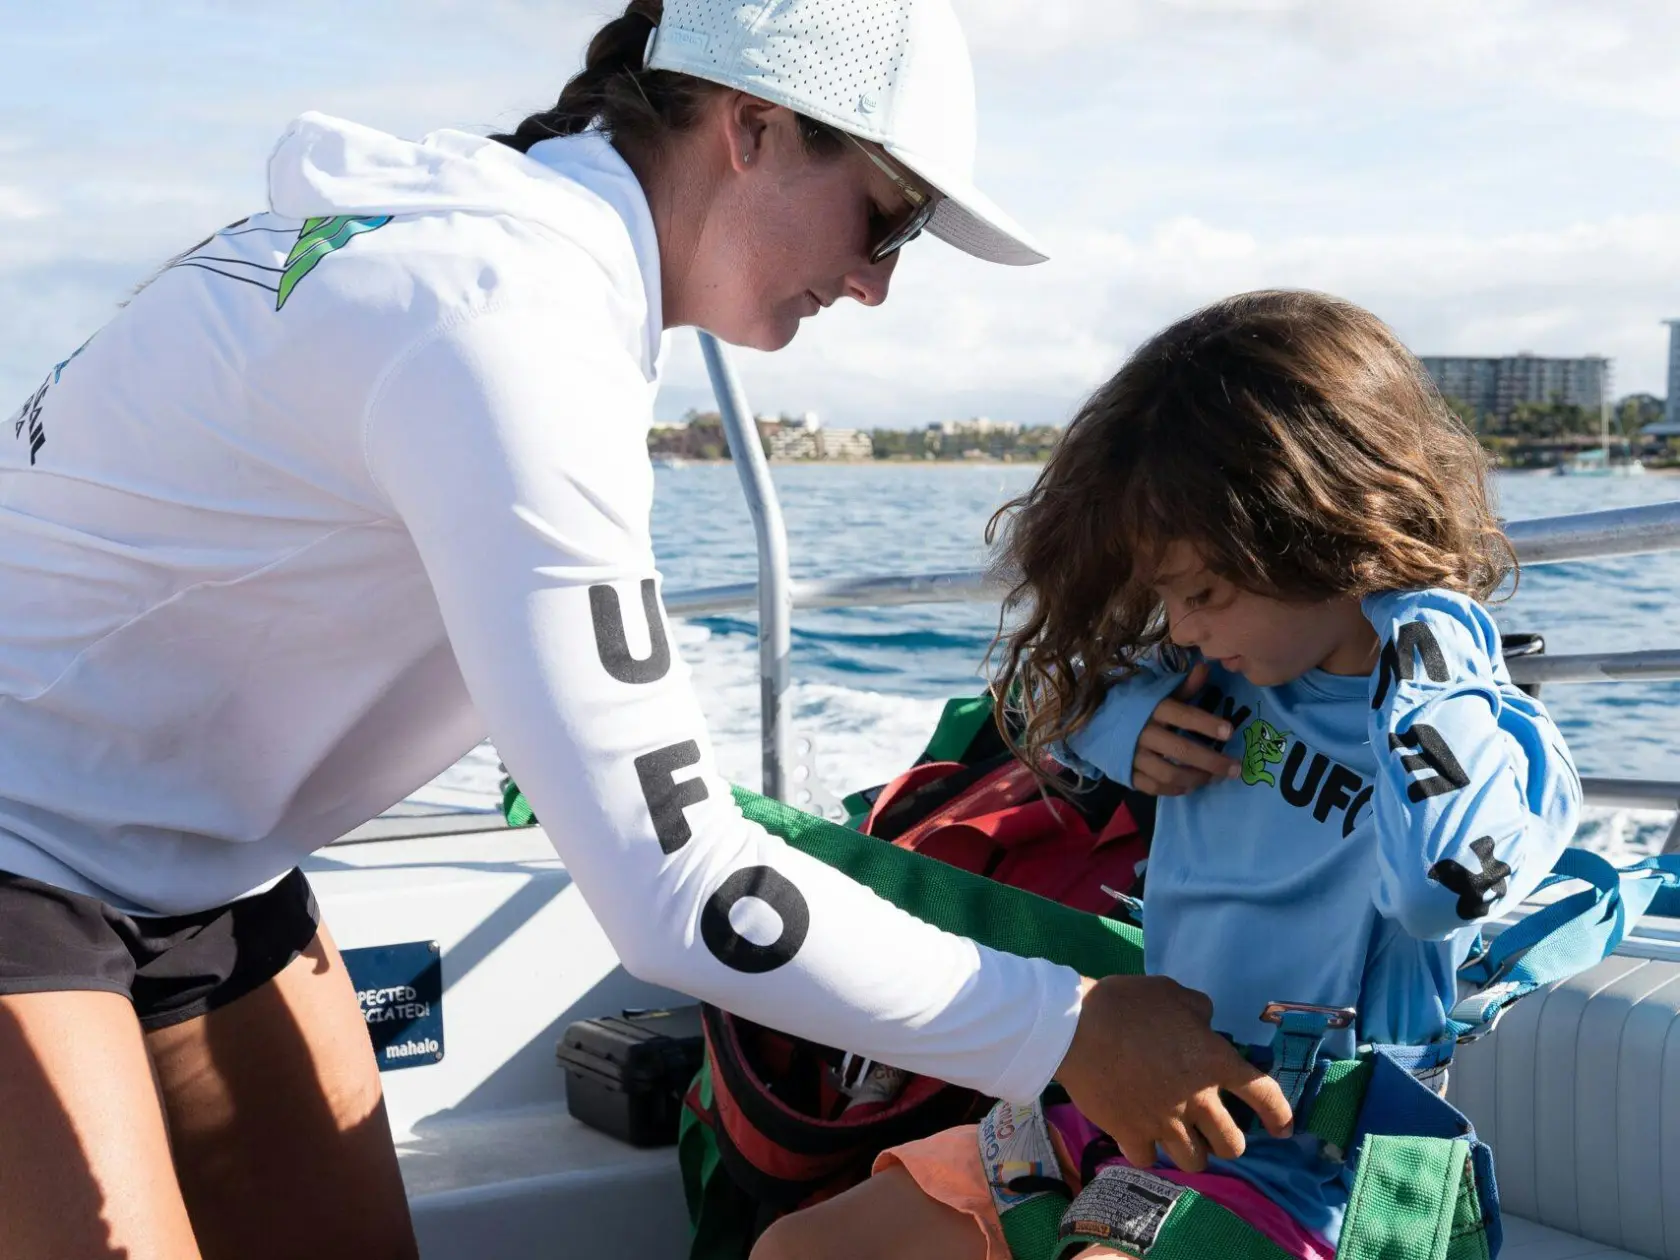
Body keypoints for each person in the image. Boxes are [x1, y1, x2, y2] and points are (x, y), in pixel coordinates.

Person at [0, 2, 1290, 1256]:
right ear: (754, 127)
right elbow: (683, 891)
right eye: (884, 218)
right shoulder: (507, 321)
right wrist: (1073, 1027)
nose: (879, 282)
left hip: (206, 862)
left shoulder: (509, 252)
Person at [750, 289, 1582, 1260]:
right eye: (1169, 598)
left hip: (1311, 1153)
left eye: (1205, 594)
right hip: (1139, 1093)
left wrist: (1433, 635)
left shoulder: (1490, 736)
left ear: (1325, 532)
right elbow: (1052, 701)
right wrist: (1125, 723)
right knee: (801, 1250)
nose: (1182, 626)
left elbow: (1441, 890)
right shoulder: (1218, 675)